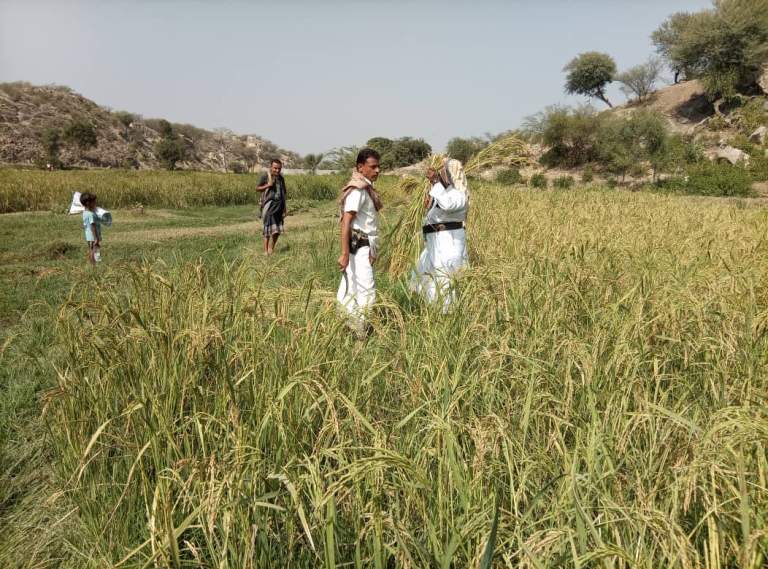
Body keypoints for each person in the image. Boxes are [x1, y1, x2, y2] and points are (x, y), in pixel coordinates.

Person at [411, 158, 469, 308]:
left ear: (449, 173)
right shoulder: (445, 192)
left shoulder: (460, 194)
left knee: (444, 281)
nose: (440, 174)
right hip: (435, 244)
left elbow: (448, 204)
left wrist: (436, 182)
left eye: (442, 171)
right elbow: (436, 212)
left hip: (448, 243)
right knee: (423, 275)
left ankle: (446, 316)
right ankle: (431, 310)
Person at [336, 148, 383, 334]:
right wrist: (344, 254)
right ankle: (361, 333)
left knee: (354, 286)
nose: (377, 170)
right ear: (360, 167)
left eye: (379, 166)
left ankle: (351, 326)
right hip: (359, 245)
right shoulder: (358, 191)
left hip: (363, 245)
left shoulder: (366, 188)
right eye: (373, 166)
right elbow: (346, 222)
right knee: (366, 289)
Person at [256, 159, 287, 255]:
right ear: (271, 167)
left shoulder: (281, 178)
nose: (277, 170)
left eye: (279, 168)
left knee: (277, 231)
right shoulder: (266, 176)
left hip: (279, 206)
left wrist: (285, 207)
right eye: (275, 168)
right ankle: (265, 252)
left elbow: (283, 193)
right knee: (267, 230)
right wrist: (268, 185)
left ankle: (271, 249)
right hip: (269, 207)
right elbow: (257, 188)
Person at [80, 192, 102, 264]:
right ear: (88, 203)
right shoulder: (91, 214)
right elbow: (92, 225)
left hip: (88, 235)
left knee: (92, 249)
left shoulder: (85, 212)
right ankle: (93, 265)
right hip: (93, 236)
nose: (95, 203)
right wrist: (96, 238)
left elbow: (85, 224)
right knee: (94, 250)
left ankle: (93, 264)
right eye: (94, 201)